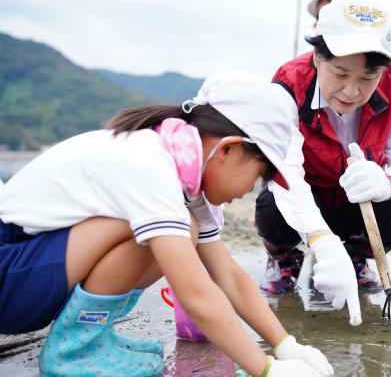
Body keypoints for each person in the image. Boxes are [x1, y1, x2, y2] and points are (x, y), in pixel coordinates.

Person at [0, 73, 334, 377]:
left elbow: (227, 275)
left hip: (28, 276)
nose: (249, 190)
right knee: (171, 230)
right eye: (258, 175)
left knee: (179, 228)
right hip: (9, 280)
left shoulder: (186, 174)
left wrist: (285, 345)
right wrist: (265, 369)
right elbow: (195, 293)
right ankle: (75, 350)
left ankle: (95, 334)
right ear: (229, 148)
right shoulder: (149, 163)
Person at [254, 0, 391, 325]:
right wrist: (321, 241)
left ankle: (357, 255)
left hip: (357, 202)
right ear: (317, 57)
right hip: (309, 196)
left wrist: (386, 182)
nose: (351, 91)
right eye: (340, 73)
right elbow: (287, 175)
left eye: (367, 79)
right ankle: (283, 258)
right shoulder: (287, 85)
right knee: (271, 206)